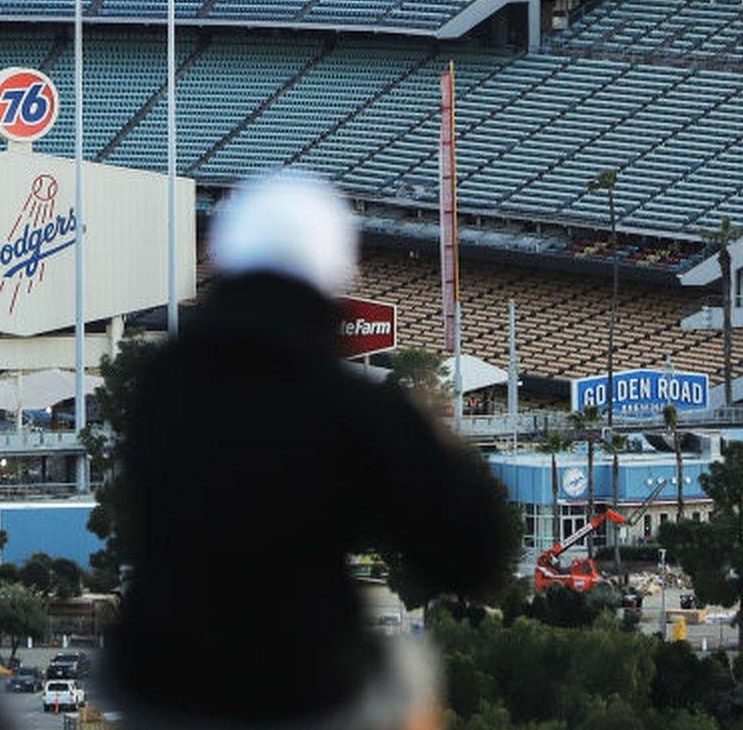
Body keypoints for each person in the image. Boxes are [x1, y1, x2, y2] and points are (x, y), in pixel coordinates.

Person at [106, 173, 517, 730]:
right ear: (331, 272)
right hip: (299, 690)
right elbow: (473, 555)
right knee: (410, 670)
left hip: (157, 687)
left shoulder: (158, 386)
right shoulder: (345, 405)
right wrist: (428, 441)